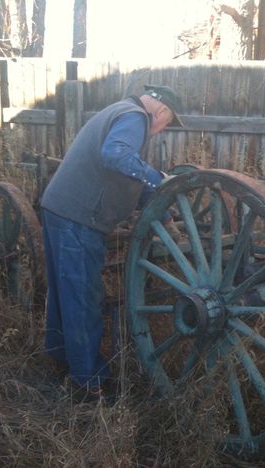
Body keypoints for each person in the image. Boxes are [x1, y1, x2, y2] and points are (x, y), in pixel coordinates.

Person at [39, 84, 184, 401]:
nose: (162, 130)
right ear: (159, 111)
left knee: (65, 292)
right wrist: (161, 179)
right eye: (168, 122)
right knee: (83, 298)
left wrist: (165, 211)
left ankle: (61, 358)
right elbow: (116, 156)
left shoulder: (120, 111)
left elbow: (129, 174)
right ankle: (88, 383)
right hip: (78, 217)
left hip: (61, 209)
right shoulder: (135, 118)